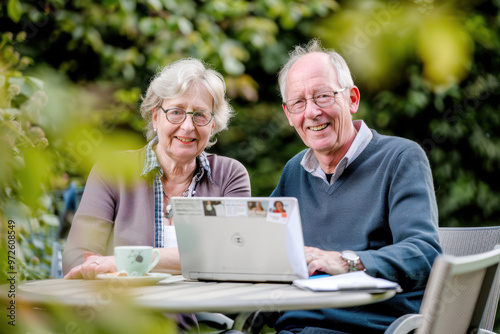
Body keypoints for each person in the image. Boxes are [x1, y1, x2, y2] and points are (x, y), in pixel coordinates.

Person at [270, 39, 441, 333]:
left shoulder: (401, 158)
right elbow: (262, 246)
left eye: (323, 96)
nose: (311, 112)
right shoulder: (294, 171)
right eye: (299, 102)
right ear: (289, 115)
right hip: (295, 326)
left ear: (352, 99)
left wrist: (347, 261)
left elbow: (425, 253)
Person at [63, 58, 251, 279]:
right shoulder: (111, 171)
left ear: (212, 125)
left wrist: (132, 261)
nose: (188, 126)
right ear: (155, 117)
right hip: (127, 305)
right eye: (176, 112)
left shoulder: (229, 175)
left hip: (200, 310)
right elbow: (78, 258)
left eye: (200, 115)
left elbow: (237, 255)